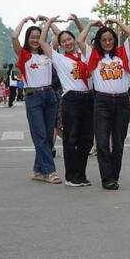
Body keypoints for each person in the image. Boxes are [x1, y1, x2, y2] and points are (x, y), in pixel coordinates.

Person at [78, 18, 130, 190]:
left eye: (110, 39)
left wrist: (118, 22)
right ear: (98, 42)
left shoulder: (122, 53)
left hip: (122, 102)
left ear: (115, 40)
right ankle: (106, 178)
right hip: (102, 102)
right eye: (104, 40)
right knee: (102, 142)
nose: (108, 42)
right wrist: (89, 25)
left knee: (118, 142)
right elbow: (80, 40)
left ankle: (114, 176)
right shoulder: (93, 55)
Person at [39, 15, 93, 187]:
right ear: (60, 45)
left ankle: (81, 174)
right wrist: (48, 23)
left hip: (89, 97)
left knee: (86, 139)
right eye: (64, 41)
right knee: (71, 138)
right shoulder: (60, 59)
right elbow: (42, 43)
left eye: (70, 39)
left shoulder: (84, 55)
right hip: (72, 99)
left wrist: (80, 22)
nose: (68, 42)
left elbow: (83, 36)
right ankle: (71, 176)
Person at [12, 16, 60, 184]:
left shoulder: (48, 52)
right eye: (32, 37)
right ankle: (50, 171)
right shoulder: (24, 55)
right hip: (33, 97)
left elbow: (58, 35)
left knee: (47, 136)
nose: (35, 40)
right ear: (28, 39)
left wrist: (48, 21)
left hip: (50, 96)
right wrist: (24, 20)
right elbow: (13, 37)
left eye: (38, 37)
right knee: (40, 135)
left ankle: (38, 170)